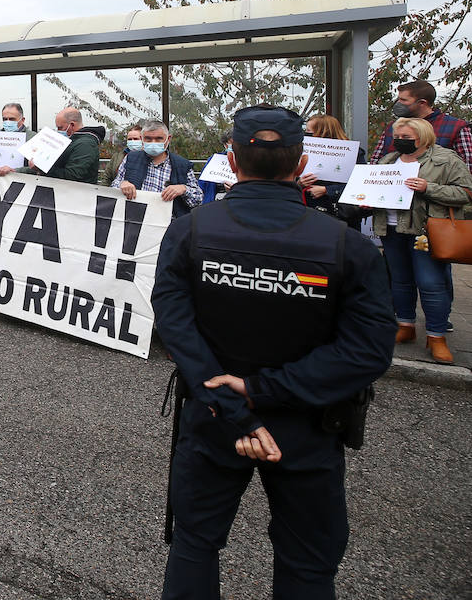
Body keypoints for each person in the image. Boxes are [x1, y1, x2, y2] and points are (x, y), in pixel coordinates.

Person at [151, 105, 394, 599]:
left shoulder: (190, 231)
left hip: (216, 416)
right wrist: (265, 393)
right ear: (302, 164)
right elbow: (368, 351)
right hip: (306, 424)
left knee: (195, 544)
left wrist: (242, 406)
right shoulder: (349, 247)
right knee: (307, 562)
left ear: (232, 161)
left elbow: (177, 332)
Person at [373, 116, 472, 364]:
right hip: (392, 230)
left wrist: (429, 188)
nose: (399, 141)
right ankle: (405, 325)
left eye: (406, 138)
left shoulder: (446, 160)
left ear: (423, 136)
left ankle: (436, 336)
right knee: (400, 281)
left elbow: (467, 192)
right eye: (397, 137)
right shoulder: (389, 160)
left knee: (431, 284)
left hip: (426, 233)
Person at [369, 79, 472, 167]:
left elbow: (467, 168)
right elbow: (376, 162)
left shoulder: (456, 127)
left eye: (403, 100)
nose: (398, 104)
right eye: (398, 99)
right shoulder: (393, 127)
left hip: (435, 188)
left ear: (422, 103)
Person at [114, 120, 202, 218]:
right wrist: (122, 184)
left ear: (168, 139)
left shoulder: (182, 165)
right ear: (142, 139)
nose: (153, 143)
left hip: (169, 224)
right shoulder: (130, 158)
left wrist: (184, 189)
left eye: (158, 139)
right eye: (148, 139)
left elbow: (198, 199)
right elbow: (114, 186)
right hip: (135, 221)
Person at [298, 115, 365, 227]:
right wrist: (299, 184)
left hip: (341, 216)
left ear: (323, 132)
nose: (306, 134)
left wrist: (327, 190)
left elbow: (361, 185)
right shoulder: (301, 151)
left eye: (309, 131)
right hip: (309, 214)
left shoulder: (353, 154)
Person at [23, 107, 103, 184]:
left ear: (72, 125)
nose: (58, 131)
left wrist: (42, 169)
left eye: (60, 127)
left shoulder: (85, 144)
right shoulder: (71, 141)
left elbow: (72, 176)